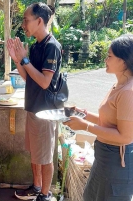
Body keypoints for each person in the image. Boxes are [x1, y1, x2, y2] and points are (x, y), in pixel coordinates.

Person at [63, 34, 133, 201]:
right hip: (103, 157)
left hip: (117, 162)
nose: (105, 60)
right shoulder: (118, 85)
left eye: (109, 56)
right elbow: (107, 123)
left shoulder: (128, 92)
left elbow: (125, 136)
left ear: (123, 61)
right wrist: (82, 114)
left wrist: (84, 126)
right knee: (90, 196)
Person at [7, 3, 61, 201]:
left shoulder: (51, 47)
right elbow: (29, 78)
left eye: (26, 20)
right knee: (35, 153)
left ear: (39, 21)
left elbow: (45, 82)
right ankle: (36, 187)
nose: (23, 24)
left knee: (45, 157)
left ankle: (45, 195)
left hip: (46, 111)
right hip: (33, 107)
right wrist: (17, 59)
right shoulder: (37, 45)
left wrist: (25, 60)